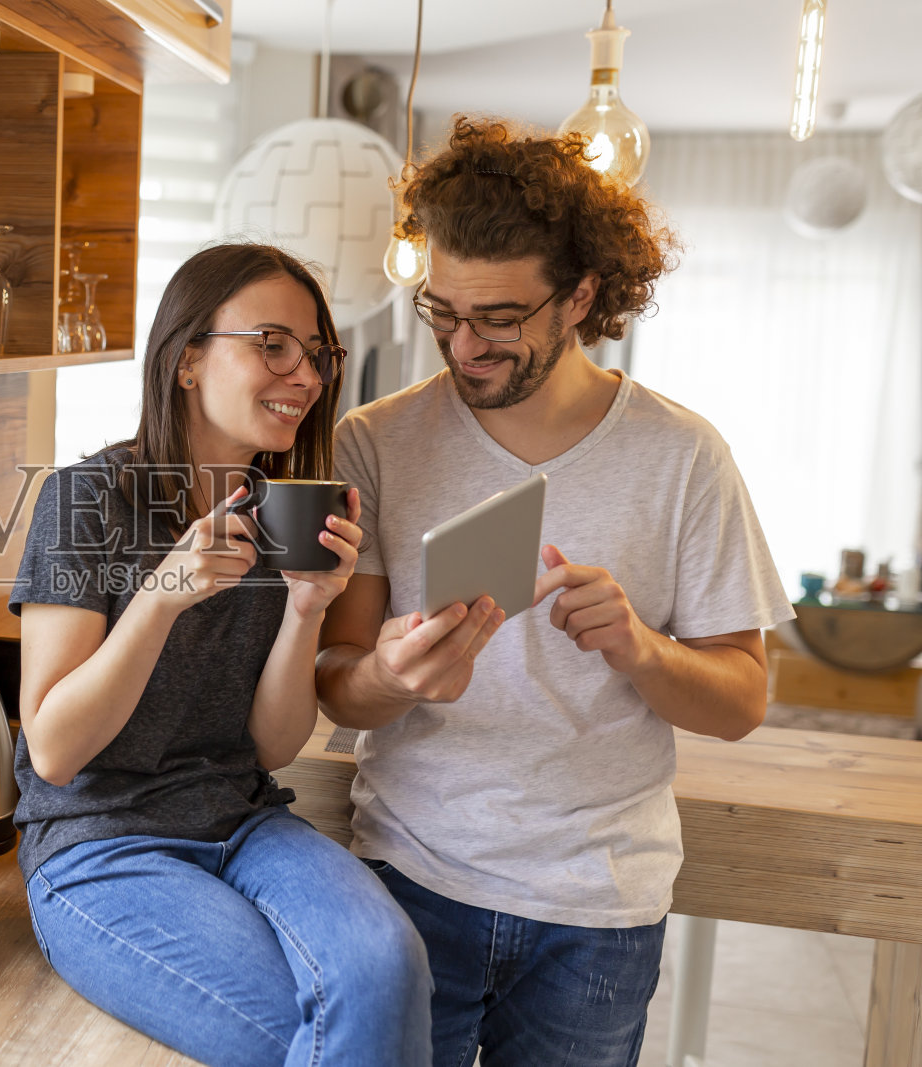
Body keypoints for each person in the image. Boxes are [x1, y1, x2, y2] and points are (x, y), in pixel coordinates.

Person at [317, 117, 795, 1066]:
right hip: (410, 879)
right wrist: (395, 675)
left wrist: (638, 647)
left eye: (499, 318)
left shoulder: (683, 457)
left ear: (580, 296)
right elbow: (335, 680)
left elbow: (743, 699)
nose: (464, 346)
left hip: (599, 910)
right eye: (442, 312)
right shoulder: (375, 440)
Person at [10, 242, 433, 1067]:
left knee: (390, 965)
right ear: (188, 361)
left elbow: (273, 747)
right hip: (100, 844)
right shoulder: (83, 500)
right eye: (273, 344)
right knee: (308, 1032)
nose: (306, 376)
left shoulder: (283, 515)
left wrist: (308, 607)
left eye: (317, 354)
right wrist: (164, 593)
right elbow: (56, 750)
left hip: (243, 821)